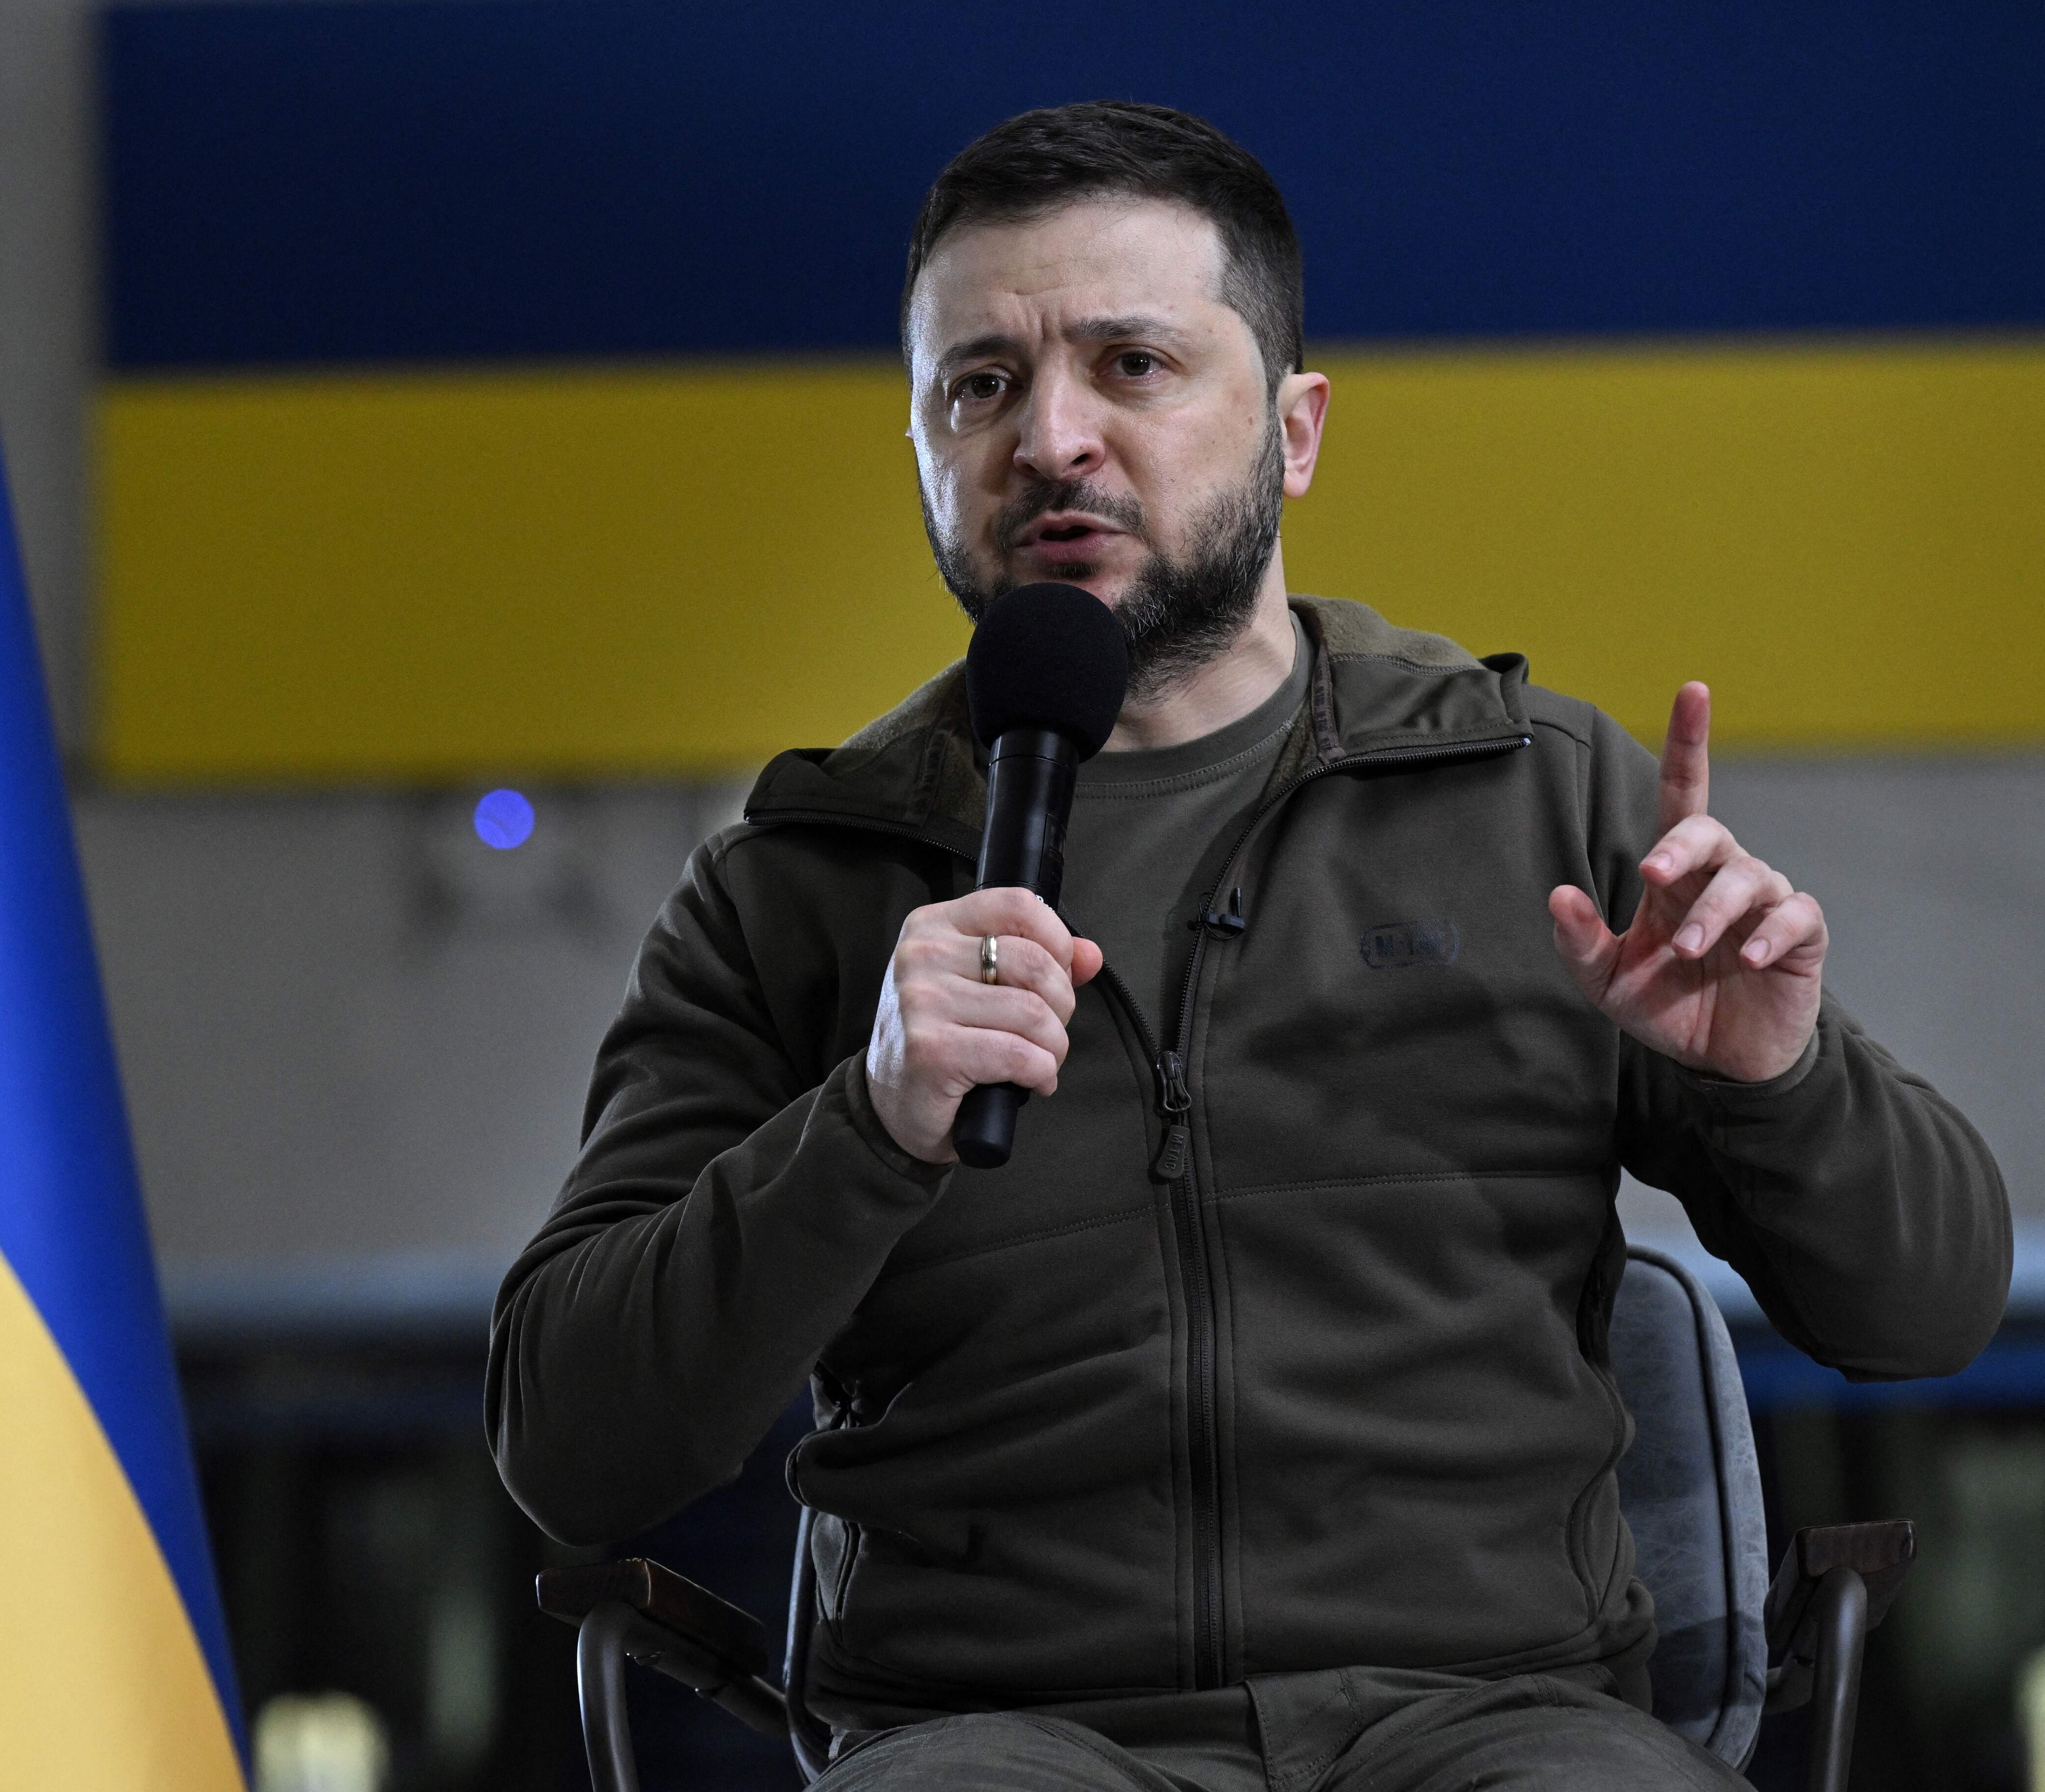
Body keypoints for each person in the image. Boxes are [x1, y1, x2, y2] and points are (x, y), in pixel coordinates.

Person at [485, 102, 2009, 1790]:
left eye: (1130, 365)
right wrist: (865, 1126)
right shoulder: (797, 884)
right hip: (998, 1740)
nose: (1050, 438)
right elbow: (574, 1451)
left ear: (1294, 433)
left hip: (1497, 1722)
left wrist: (1778, 1083)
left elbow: (1926, 1312)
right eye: (979, 386)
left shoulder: (1535, 793)